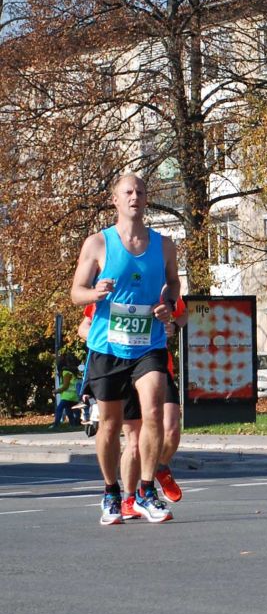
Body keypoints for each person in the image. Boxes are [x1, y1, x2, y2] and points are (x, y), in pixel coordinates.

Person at [70, 173, 180, 525]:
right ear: (115, 200)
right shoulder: (98, 244)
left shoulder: (164, 245)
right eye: (128, 192)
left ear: (147, 200)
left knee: (153, 413)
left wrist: (168, 303)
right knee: (110, 424)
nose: (135, 197)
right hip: (107, 346)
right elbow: (76, 292)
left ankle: (146, 490)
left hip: (149, 343)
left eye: (141, 192)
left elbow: (174, 284)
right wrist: (94, 293)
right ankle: (110, 492)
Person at [79, 300, 187, 519]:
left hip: (153, 364)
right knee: (134, 441)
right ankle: (130, 498)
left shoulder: (159, 283)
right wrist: (105, 341)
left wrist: (173, 326)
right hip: (118, 363)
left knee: (171, 429)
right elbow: (84, 325)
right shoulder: (109, 288)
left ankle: (159, 466)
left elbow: (184, 314)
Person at [51, 361, 81, 428]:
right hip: (74, 396)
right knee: (69, 410)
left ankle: (56, 424)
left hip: (68, 396)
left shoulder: (66, 373)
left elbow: (65, 386)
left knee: (59, 409)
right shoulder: (71, 373)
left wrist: (56, 391)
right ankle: (73, 424)